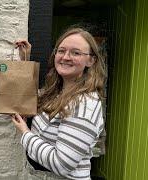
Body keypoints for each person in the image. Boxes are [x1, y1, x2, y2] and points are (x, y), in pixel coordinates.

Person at [12, 27, 106, 180]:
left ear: (91, 60)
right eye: (61, 51)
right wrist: (24, 60)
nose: (66, 57)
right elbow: (30, 97)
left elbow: (61, 165)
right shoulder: (57, 90)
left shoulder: (84, 105)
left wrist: (25, 133)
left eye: (76, 53)